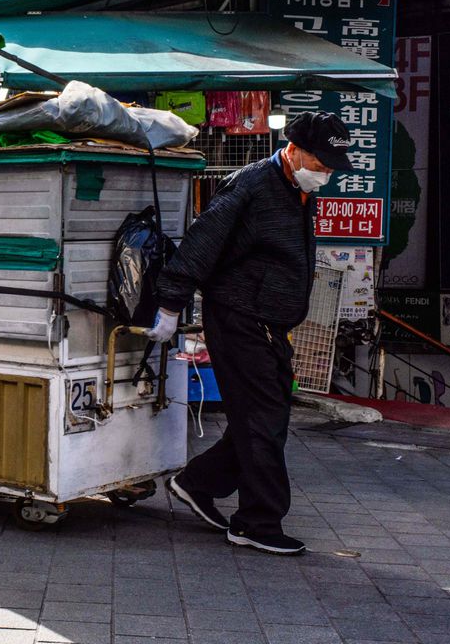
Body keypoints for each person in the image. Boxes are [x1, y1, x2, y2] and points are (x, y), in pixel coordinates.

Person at [148, 112, 354, 556]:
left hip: (269, 322)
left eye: (332, 167)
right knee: (264, 420)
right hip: (240, 317)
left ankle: (197, 482)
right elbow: (203, 240)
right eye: (321, 164)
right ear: (295, 150)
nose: (326, 174)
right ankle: (257, 522)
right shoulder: (253, 185)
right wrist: (170, 304)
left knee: (265, 414)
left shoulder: (297, 189)